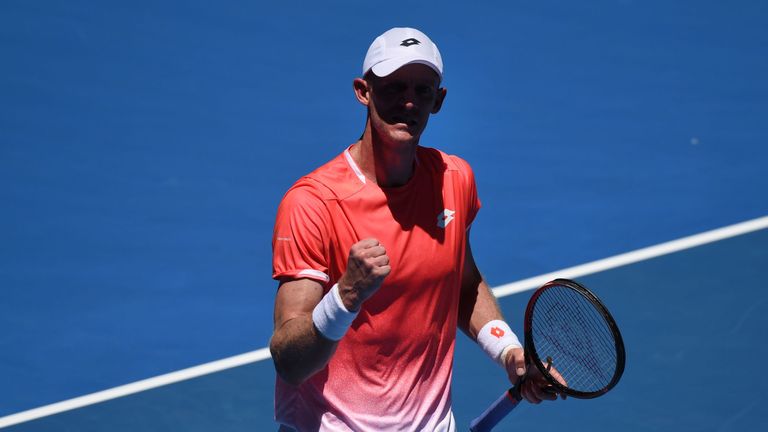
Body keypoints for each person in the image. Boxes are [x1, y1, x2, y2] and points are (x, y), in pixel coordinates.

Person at [269, 27, 561, 431]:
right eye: (393, 87)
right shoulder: (313, 203)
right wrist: (346, 296)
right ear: (363, 91)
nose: (409, 102)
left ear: (438, 101)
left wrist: (510, 353)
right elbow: (290, 362)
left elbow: (461, 280)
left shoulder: (453, 179)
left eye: (423, 91)